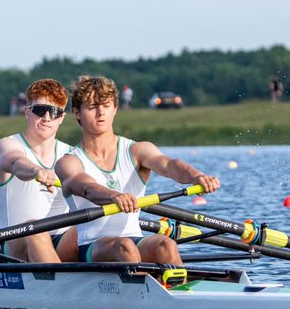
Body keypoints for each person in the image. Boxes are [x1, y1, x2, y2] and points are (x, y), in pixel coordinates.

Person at [57, 76, 220, 265]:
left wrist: (196, 176)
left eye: (106, 105)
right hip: (92, 245)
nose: (100, 112)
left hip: (134, 239)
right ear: (77, 112)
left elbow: (168, 165)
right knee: (124, 247)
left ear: (115, 108)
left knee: (165, 244)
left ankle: (179, 290)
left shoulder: (136, 150)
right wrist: (114, 196)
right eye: (92, 107)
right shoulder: (69, 162)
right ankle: (151, 289)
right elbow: (86, 187)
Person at [0, 78, 79, 263]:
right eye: (40, 110)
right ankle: (60, 286)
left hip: (60, 241)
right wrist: (36, 171)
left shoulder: (72, 154)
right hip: (16, 239)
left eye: (54, 112)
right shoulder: (8, 144)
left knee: (94, 227)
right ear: (27, 111)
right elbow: (16, 162)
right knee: (35, 230)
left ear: (62, 118)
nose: (47, 118)